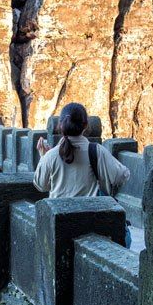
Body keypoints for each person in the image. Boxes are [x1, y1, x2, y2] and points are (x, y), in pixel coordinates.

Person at [34, 102, 131, 242]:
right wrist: (103, 182)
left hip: (58, 224)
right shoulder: (96, 151)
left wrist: (43, 157)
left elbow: (40, 185)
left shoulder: (51, 155)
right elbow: (123, 175)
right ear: (85, 125)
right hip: (89, 223)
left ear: (60, 125)